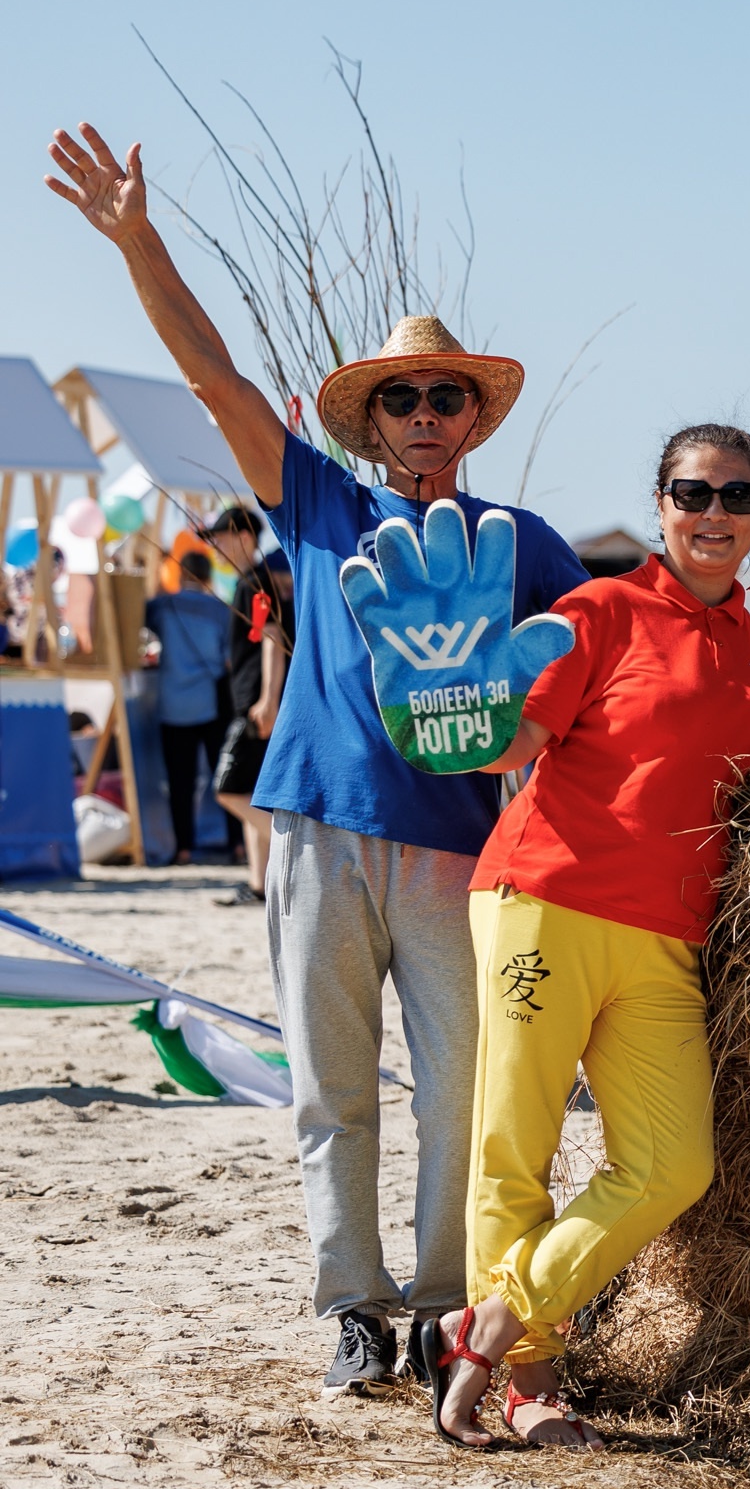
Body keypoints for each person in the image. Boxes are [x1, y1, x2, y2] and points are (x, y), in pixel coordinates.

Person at [48, 123, 591, 1397]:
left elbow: (597, 673)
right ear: (369, 421)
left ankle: (447, 1305)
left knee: (462, 1097)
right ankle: (354, 1303)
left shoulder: (530, 543)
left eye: (445, 397)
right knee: (332, 1090)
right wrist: (140, 241)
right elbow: (213, 380)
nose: (422, 416)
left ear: (475, 418)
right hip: (317, 831)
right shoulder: (321, 504)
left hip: (463, 851)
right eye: (400, 398)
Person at [424, 425, 750, 1448]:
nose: (715, 515)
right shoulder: (598, 611)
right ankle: (532, 1386)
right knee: (515, 1152)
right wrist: (448, 700)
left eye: (737, 497)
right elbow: (507, 747)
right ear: (660, 504)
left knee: (672, 1164)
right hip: (544, 902)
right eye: (694, 494)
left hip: (665, 940)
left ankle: (495, 1318)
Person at [202, 504, 294, 905]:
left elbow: (272, 637)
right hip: (253, 699)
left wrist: (267, 699)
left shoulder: (255, 581)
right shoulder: (251, 580)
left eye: (221, 538)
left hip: (257, 703)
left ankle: (293, 852)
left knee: (228, 789)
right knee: (254, 791)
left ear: (243, 537)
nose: (217, 547)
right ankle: (260, 884)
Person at [144, 549, 233, 863]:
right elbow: (228, 657)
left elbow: (143, 619)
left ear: (180, 574)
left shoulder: (164, 605)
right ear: (208, 576)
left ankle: (183, 848)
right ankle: (238, 844)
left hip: (173, 702)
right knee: (226, 778)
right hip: (211, 701)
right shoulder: (221, 608)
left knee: (179, 781)